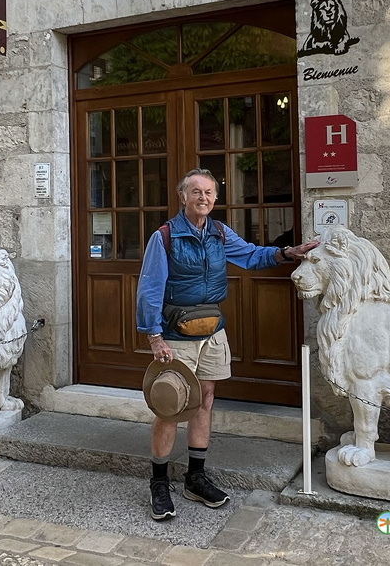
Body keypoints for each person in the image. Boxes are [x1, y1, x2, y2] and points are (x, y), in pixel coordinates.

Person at [136, 168, 319, 521]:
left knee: (205, 400)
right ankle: (159, 483)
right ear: (182, 197)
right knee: (169, 406)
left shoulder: (220, 233)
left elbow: (252, 255)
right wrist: (154, 336)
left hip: (213, 331)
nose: (202, 198)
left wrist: (286, 253)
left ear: (215, 199)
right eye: (195, 192)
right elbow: (149, 288)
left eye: (208, 193)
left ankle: (195, 477)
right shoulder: (165, 237)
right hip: (175, 334)